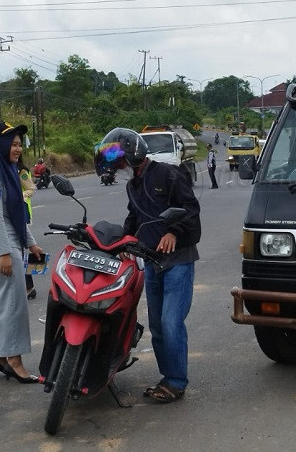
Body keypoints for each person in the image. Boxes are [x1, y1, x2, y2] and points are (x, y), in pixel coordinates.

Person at [94, 128, 201, 403]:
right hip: (152, 261)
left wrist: (173, 232)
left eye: (119, 160)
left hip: (178, 260)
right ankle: (169, 377)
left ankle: (177, 381)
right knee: (157, 324)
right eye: (113, 163)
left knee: (170, 322)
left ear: (133, 153)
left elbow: (190, 210)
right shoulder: (134, 185)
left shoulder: (168, 174)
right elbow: (135, 217)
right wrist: (119, 242)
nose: (117, 167)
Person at [0, 121, 43, 384]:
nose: (18, 149)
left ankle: (1, 357)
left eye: (19, 145)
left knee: (0, 301)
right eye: (13, 144)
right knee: (14, 303)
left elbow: (15, 213)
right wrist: (6, 252)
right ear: (0, 145)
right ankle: (15, 361)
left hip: (10, 242)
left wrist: (31, 242)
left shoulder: (7, 171)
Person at [18, 158, 38, 300]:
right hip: (14, 212)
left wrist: (19, 196)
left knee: (20, 251)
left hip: (20, 211)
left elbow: (31, 188)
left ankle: (29, 286)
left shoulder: (21, 171)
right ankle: (29, 287)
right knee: (19, 251)